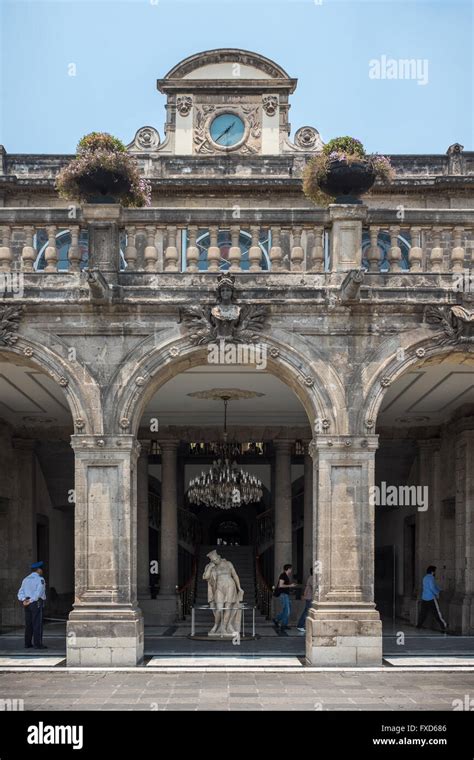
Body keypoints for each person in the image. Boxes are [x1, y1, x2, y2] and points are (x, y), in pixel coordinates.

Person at [17, 561, 47, 649]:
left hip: (27, 603)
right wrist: (31, 600)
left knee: (28, 624)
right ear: (38, 570)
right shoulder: (40, 579)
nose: (42, 571)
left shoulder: (25, 579)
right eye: (41, 569)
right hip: (36, 603)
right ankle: (38, 644)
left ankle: (27, 643)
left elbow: (20, 592)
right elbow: (38, 593)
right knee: (37, 623)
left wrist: (23, 600)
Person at [416, 565, 447, 632]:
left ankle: (419, 625)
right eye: (435, 571)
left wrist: (439, 589)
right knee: (437, 613)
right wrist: (437, 593)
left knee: (423, 613)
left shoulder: (425, 578)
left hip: (424, 598)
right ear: (432, 572)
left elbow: (434, 586)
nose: (435, 573)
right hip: (431, 599)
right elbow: (432, 588)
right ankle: (443, 626)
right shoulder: (431, 578)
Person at [273, 563, 297, 630]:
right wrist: (290, 585)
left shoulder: (285, 576)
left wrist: (290, 588)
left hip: (285, 594)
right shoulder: (283, 575)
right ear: (288, 569)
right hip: (283, 594)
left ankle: (277, 619)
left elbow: (284, 585)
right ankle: (283, 625)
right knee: (287, 611)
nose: (291, 570)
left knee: (287, 610)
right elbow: (280, 585)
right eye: (291, 569)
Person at [297, 568, 313, 632]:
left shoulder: (311, 577)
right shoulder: (312, 578)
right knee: (306, 612)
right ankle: (300, 625)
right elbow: (314, 586)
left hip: (310, 597)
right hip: (310, 597)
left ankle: (301, 625)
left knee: (306, 611)